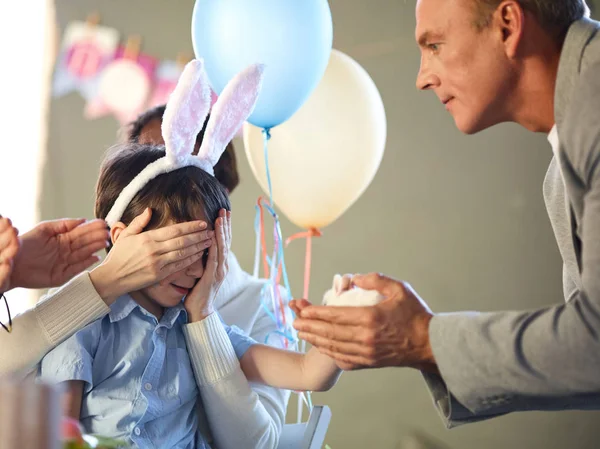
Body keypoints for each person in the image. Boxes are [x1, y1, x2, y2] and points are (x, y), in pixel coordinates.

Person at [291, 0, 600, 429]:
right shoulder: (560, 173)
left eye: (435, 45)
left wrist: (423, 338)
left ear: (508, 27)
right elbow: (581, 369)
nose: (422, 77)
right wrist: (418, 341)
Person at [39, 60, 341, 449]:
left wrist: (341, 322)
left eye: (204, 251)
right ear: (125, 234)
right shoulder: (82, 321)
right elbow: (57, 434)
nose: (191, 267)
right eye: (173, 248)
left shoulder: (211, 325)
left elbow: (308, 373)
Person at [124, 94, 290, 443]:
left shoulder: (264, 303)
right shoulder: (107, 301)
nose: (161, 194)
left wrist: (203, 318)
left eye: (179, 178)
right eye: (145, 177)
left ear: (221, 194)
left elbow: (259, 444)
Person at [0, 210, 212, 378]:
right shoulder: (88, 333)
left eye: (203, 252)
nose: (197, 269)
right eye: (181, 248)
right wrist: (109, 279)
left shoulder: (183, 316)